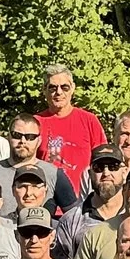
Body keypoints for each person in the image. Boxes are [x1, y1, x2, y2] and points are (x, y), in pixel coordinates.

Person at [0, 114, 78, 213]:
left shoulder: (54, 174)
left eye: (30, 137)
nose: (23, 141)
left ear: (39, 141)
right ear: (8, 137)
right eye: (17, 135)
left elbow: (75, 217)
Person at [33, 63, 109, 192]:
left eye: (64, 87)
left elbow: (103, 161)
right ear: (44, 90)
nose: (59, 92)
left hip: (82, 198)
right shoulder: (35, 123)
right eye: (52, 87)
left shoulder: (89, 121)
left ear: (73, 88)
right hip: (45, 197)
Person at [55, 146, 128, 257]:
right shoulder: (70, 220)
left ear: (124, 172)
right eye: (99, 167)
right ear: (89, 173)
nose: (106, 173)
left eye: (113, 167)